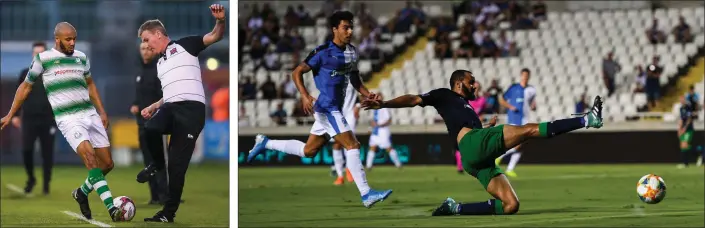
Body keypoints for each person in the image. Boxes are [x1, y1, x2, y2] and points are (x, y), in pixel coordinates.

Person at [361, 70, 603, 216]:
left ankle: (454, 209)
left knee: (510, 205)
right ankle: (587, 119)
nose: (475, 85)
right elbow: (414, 99)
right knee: (530, 130)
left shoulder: (468, 109)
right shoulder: (444, 95)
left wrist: (485, 129)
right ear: (458, 83)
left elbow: (465, 129)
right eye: (471, 81)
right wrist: (382, 104)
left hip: (475, 158)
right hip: (472, 146)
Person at [246, 11, 393, 208]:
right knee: (352, 145)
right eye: (345, 27)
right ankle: (367, 194)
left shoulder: (352, 52)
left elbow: (355, 79)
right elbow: (297, 72)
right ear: (335, 29)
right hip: (326, 108)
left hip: (334, 108)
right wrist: (305, 96)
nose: (349, 31)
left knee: (309, 151)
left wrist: (368, 94)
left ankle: (266, 143)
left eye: (351, 27)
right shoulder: (322, 52)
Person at [0, 22, 122, 221]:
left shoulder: (82, 58)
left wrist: (102, 111)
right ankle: (112, 208)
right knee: (90, 159)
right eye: (68, 39)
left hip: (90, 114)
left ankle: (81, 193)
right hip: (68, 118)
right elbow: (25, 87)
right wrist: (11, 114)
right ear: (57, 39)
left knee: (107, 164)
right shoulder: (43, 59)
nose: (72, 42)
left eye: (74, 38)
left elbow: (90, 85)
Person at [136, 4, 226, 222]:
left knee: (176, 168)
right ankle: (157, 164)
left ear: (158, 34)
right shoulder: (160, 64)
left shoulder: (185, 45)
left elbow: (214, 37)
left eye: (147, 40)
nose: (145, 45)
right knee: (149, 128)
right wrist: (154, 105)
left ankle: (168, 213)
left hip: (191, 112)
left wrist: (220, 21)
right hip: (170, 107)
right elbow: (171, 92)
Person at [11, 41, 56, 195]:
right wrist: (16, 115)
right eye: (35, 52)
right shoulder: (25, 74)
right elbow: (19, 96)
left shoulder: (52, 74)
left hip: (48, 120)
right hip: (29, 119)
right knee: (27, 150)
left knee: (47, 153)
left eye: (41, 53)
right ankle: (31, 178)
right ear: (32, 54)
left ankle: (46, 185)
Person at [131, 42, 169, 205]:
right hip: (141, 123)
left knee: (159, 160)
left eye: (148, 49)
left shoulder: (159, 71)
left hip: (156, 124)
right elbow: (140, 96)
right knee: (148, 161)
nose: (145, 52)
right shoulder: (139, 71)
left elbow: (164, 96)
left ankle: (166, 196)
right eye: (142, 49)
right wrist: (135, 105)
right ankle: (154, 196)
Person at [494, 68, 536, 178]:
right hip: (514, 119)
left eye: (527, 75)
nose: (525, 77)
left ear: (529, 77)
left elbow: (532, 103)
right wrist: (511, 107)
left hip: (525, 119)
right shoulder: (514, 88)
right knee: (518, 143)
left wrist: (533, 106)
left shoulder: (532, 89)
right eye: (524, 75)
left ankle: (509, 168)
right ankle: (500, 157)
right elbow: (501, 100)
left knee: (521, 145)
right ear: (521, 76)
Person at [331, 83, 359, 186]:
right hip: (336, 112)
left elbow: (360, 90)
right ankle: (340, 176)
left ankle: (349, 169)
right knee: (337, 144)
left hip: (350, 113)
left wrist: (358, 106)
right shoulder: (332, 74)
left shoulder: (352, 75)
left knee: (349, 141)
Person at [365, 94, 402, 170]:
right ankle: (368, 166)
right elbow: (372, 120)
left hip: (383, 130)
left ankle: (398, 164)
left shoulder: (385, 108)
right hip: (375, 131)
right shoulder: (373, 108)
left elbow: (389, 120)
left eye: (379, 97)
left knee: (388, 148)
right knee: (372, 147)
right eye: (376, 97)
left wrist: (380, 125)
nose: (377, 98)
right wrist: (371, 127)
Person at [677, 96, 696, 169]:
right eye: (680, 100)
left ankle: (685, 163)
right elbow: (681, 119)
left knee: (684, 144)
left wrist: (684, 128)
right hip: (683, 129)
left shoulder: (688, 107)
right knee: (682, 145)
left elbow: (689, 119)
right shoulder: (681, 108)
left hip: (689, 129)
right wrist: (679, 129)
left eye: (682, 99)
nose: (681, 101)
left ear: (685, 100)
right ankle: (685, 163)